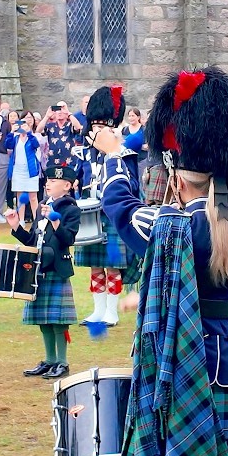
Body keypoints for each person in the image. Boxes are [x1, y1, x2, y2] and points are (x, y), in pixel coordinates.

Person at [94, 67, 228, 456]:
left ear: (178, 175)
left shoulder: (174, 227)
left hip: (187, 363)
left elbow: (121, 209)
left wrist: (113, 156)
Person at [74, 85, 142, 328]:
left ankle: (111, 312)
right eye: (94, 126)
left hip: (113, 214)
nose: (97, 131)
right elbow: (81, 179)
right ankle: (97, 310)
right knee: (95, 266)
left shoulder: (123, 153)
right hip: (90, 214)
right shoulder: (84, 153)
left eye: (102, 127)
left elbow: (133, 185)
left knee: (112, 266)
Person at [7, 163, 80, 380]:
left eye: (54, 181)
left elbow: (69, 239)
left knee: (58, 321)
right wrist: (16, 227)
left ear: (66, 186)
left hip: (57, 268)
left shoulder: (71, 209)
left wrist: (56, 220)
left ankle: (62, 363)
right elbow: (32, 240)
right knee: (43, 320)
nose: (48, 184)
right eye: (47, 181)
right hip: (38, 269)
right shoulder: (41, 207)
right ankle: (49, 361)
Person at [5, 111, 42, 221]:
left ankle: (36, 220)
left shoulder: (32, 137)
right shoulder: (15, 137)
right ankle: (21, 220)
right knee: (20, 196)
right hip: (18, 170)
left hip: (30, 169)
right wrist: (12, 131)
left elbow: (36, 145)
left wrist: (29, 132)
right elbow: (7, 145)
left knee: (33, 197)